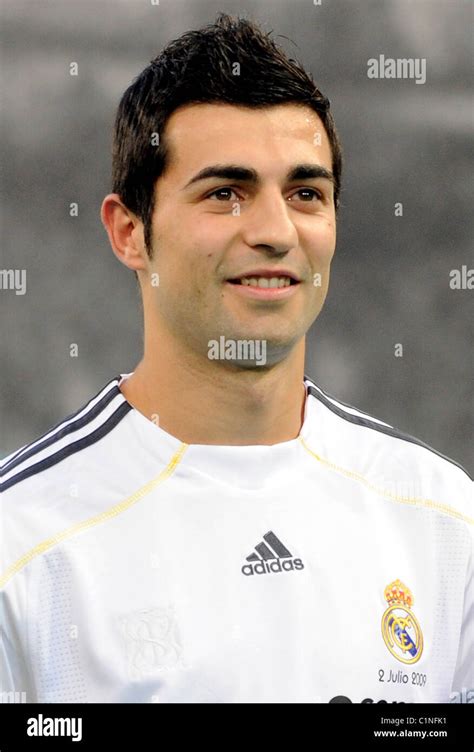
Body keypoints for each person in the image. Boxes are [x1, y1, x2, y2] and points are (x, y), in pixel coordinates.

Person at [1, 13, 472, 704]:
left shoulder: (444, 522)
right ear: (129, 232)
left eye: (305, 194)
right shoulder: (23, 542)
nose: (277, 232)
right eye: (226, 193)